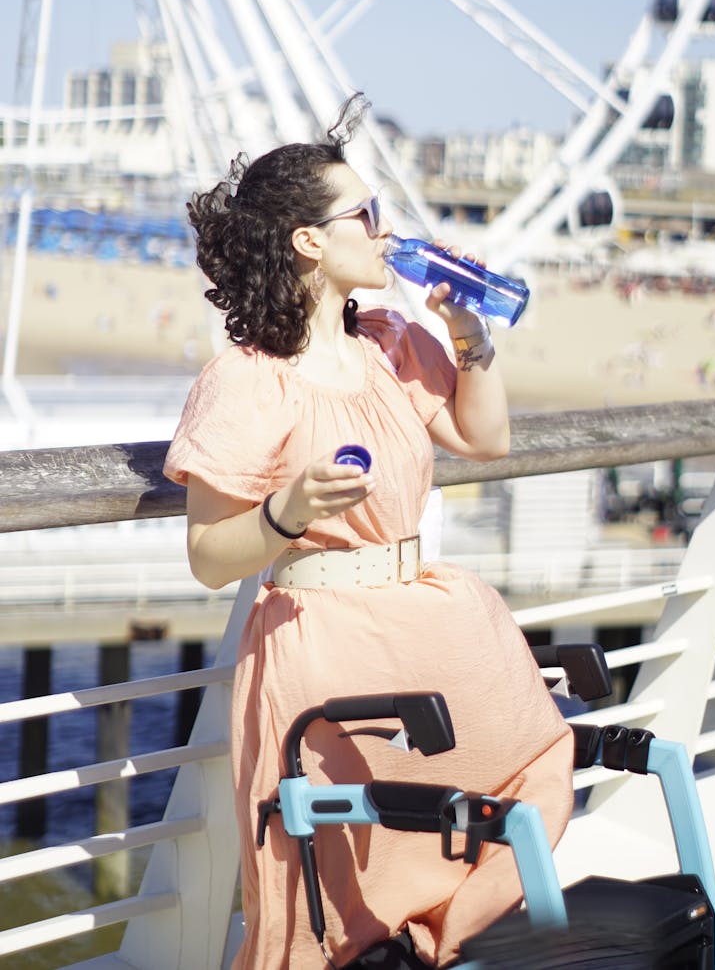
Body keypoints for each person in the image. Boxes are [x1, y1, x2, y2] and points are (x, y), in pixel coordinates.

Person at [163, 95, 573, 970]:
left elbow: (484, 437)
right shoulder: (245, 379)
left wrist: (470, 334)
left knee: (527, 778)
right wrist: (289, 512)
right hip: (327, 647)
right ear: (310, 241)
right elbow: (206, 555)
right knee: (338, 879)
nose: (386, 231)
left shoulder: (390, 342)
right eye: (367, 214)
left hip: (432, 622)